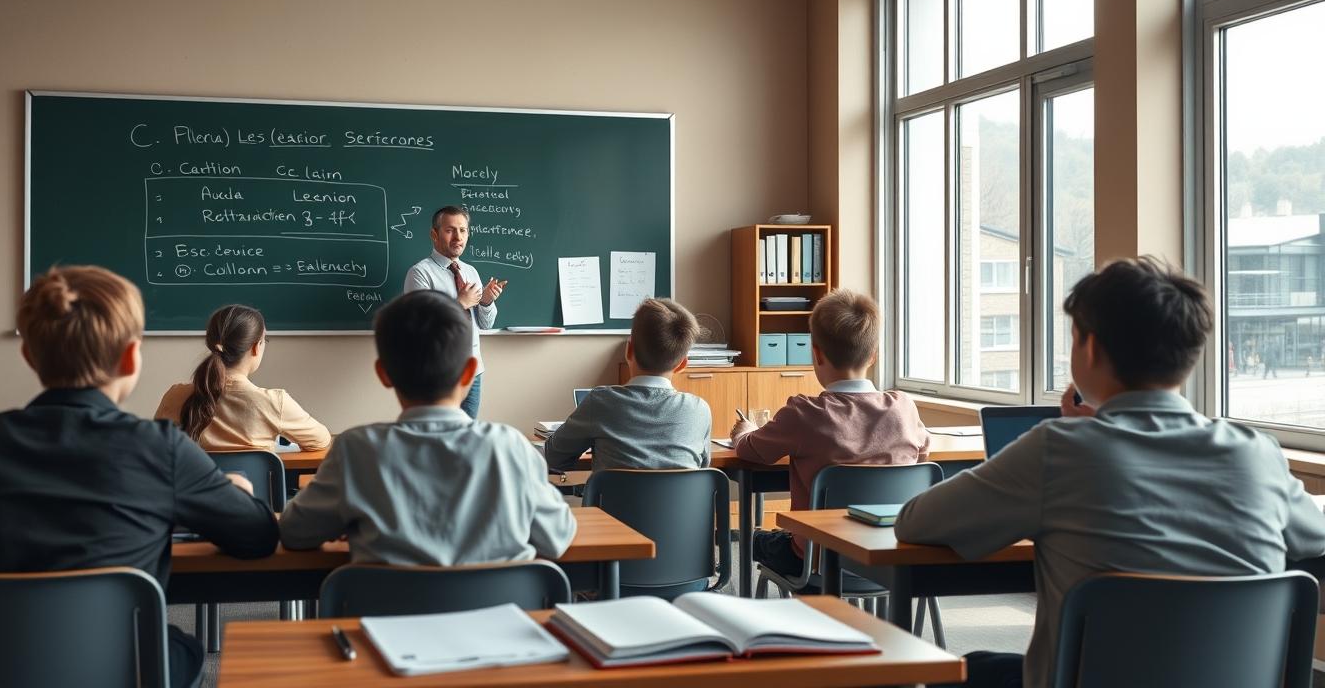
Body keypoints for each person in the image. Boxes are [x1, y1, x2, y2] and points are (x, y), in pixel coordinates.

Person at [894, 258, 1325, 688]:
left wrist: (1082, 436)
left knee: (959, 672)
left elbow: (915, 521)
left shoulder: (1058, 450)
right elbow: (1315, 538)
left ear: (1091, 348)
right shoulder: (1258, 455)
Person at [0, 266, 278, 688]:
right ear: (131, 356)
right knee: (185, 650)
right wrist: (235, 491)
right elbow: (257, 538)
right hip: (126, 667)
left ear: (29, 355)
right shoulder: (159, 449)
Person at [278, 289, 575, 564]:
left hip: (388, 618)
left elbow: (294, 533)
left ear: (384, 374)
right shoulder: (511, 447)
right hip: (498, 618)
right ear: (470, 372)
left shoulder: (356, 450)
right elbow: (557, 538)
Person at [730, 289, 929, 577]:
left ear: (816, 353)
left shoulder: (805, 413)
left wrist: (745, 430)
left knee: (754, 539)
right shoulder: (904, 408)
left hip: (818, 560)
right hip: (889, 555)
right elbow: (922, 453)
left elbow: (750, 450)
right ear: (873, 356)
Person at [544, 298, 711, 472]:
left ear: (628, 350)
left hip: (614, 500)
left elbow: (553, 458)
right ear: (682, 364)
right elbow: (701, 467)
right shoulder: (700, 410)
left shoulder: (600, 402)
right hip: (682, 500)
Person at [155, 304, 331, 452]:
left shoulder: (175, 395)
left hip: (187, 493)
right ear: (256, 347)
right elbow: (321, 440)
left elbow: (155, 447)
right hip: (252, 493)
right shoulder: (275, 403)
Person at [403, 205, 507, 419]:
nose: (458, 237)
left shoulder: (471, 272)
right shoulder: (420, 273)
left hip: (473, 369)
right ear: (434, 234)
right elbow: (420, 326)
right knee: (437, 436)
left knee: (466, 437)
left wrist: (486, 302)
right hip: (437, 372)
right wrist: (459, 303)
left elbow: (485, 325)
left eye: (463, 230)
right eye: (450, 230)